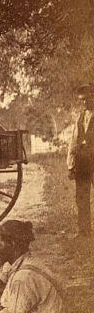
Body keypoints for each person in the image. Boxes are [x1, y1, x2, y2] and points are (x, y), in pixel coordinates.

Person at [66, 83, 94, 239]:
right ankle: (84, 232)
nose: (84, 103)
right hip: (83, 162)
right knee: (81, 197)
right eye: (82, 100)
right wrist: (71, 165)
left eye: (87, 99)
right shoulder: (81, 117)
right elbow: (73, 141)